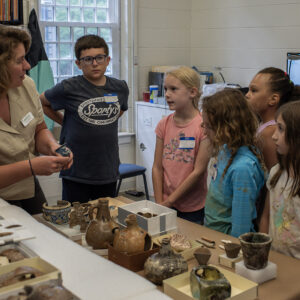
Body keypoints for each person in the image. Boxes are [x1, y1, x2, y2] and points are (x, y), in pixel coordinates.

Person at [40, 35, 129, 203]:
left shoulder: (120, 87)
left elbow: (120, 110)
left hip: (107, 170)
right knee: (75, 221)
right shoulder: (69, 87)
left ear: (108, 60)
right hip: (76, 170)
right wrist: (65, 121)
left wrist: (102, 119)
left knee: (104, 221)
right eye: (88, 59)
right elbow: (42, 102)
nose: (94, 63)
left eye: (99, 58)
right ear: (78, 64)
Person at [0, 25, 73, 214]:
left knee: (44, 232)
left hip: (27, 186)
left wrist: (53, 146)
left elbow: (39, 129)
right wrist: (32, 166)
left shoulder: (26, 85)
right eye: (19, 60)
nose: (27, 66)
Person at [202, 88, 265, 237]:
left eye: (209, 127)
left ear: (228, 128)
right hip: (212, 231)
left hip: (228, 242)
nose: (204, 132)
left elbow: (241, 227)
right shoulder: (225, 148)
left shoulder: (243, 168)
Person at [152, 66, 210, 224]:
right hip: (164, 202)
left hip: (192, 207)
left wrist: (170, 201)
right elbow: (157, 167)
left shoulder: (204, 126)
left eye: (173, 89)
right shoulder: (164, 124)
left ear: (192, 92)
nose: (167, 95)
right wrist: (159, 203)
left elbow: (198, 171)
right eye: (165, 89)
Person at [260, 101, 300, 259]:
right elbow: (266, 216)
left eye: (281, 129)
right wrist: (261, 250)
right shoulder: (276, 172)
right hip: (274, 258)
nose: (274, 135)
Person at [246, 67, 300, 171]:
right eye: (249, 90)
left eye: (254, 90)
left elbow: (272, 174)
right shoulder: (263, 123)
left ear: (273, 99)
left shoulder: (270, 132)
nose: (247, 95)